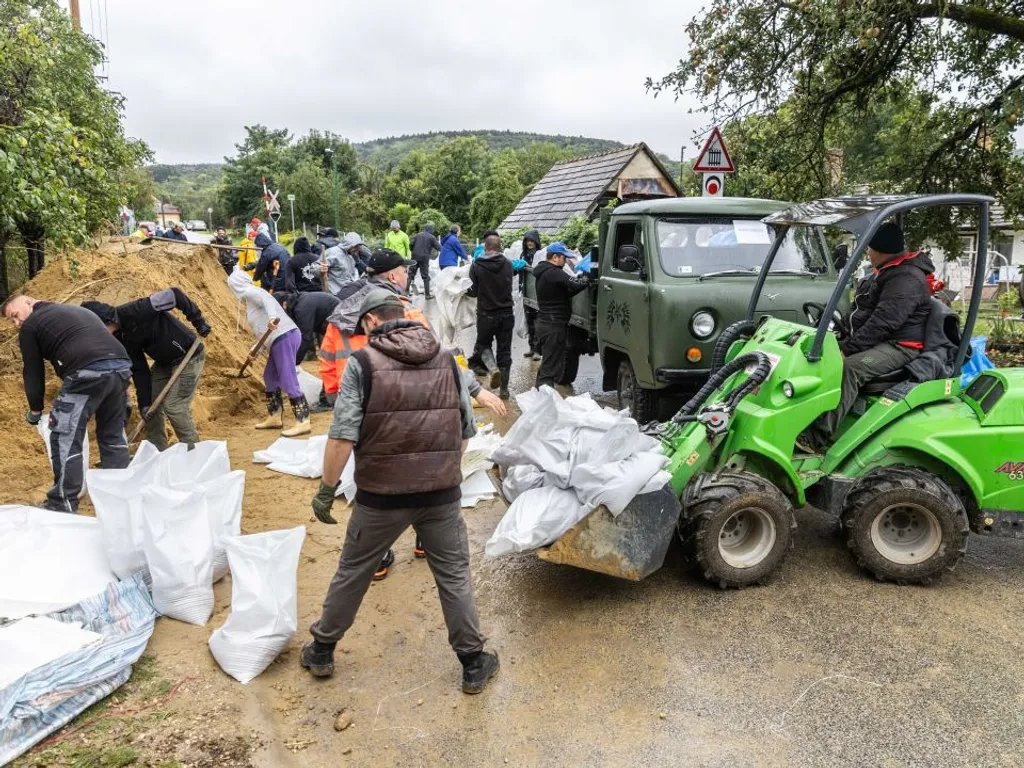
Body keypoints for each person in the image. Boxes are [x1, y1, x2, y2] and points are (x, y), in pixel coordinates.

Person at [301, 291, 500, 695]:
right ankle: (473, 663)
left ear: (373, 321)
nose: (360, 335)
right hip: (441, 496)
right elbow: (465, 430)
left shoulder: (363, 363)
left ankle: (322, 650)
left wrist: (326, 490)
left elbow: (341, 436)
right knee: (454, 574)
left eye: (361, 328)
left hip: (380, 497)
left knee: (354, 571)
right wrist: (442, 473)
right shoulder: (446, 358)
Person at [802, 222, 933, 449]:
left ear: (880, 250)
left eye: (869, 249)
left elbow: (884, 323)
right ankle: (804, 417)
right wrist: (836, 333)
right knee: (813, 353)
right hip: (877, 339)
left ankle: (817, 438)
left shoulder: (906, 279)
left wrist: (848, 349)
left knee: (850, 368)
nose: (868, 254)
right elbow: (860, 312)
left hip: (899, 345)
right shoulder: (886, 272)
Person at [4, 296, 132, 512]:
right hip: (120, 367)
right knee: (112, 434)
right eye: (12, 321)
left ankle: (61, 503)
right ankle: (121, 498)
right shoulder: (76, 311)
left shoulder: (32, 325)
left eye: (15, 315)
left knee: (63, 433)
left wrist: (35, 410)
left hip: (87, 372)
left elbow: (33, 371)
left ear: (28, 302)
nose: (17, 323)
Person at [82, 289, 211, 451]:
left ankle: (194, 453)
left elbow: (174, 295)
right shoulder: (119, 337)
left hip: (190, 356)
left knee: (175, 407)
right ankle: (158, 451)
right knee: (150, 409)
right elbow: (139, 368)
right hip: (164, 363)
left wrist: (198, 321)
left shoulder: (136, 310)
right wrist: (144, 403)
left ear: (104, 321)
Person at [227, 270, 311, 436]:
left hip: (284, 336)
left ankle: (303, 421)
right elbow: (263, 330)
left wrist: (273, 317)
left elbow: (267, 300)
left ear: (235, 284)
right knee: (270, 377)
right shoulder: (249, 299)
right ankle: (274, 417)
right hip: (278, 339)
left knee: (287, 378)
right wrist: (255, 350)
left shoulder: (251, 291)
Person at [467, 230, 525, 399]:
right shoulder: (508, 263)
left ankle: (493, 369)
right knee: (505, 351)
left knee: (483, 345)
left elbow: (474, 291)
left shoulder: (477, 265)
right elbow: (513, 272)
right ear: (500, 247)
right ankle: (504, 390)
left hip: (486, 315)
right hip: (507, 314)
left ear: (485, 247)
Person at [533, 242, 591, 389]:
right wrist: (588, 276)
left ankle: (539, 397)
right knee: (550, 369)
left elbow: (568, 292)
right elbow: (576, 284)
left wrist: (581, 280)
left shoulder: (544, 271)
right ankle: (545, 402)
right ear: (555, 257)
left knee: (548, 362)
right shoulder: (554, 272)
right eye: (564, 258)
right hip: (553, 326)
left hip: (545, 323)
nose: (565, 261)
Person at [275, 291, 340, 365]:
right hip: (333, 318)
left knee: (333, 359)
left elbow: (305, 338)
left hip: (340, 322)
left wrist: (293, 363)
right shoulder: (298, 300)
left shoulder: (301, 309)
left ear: (284, 304)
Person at [521, 230, 542, 359]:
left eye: (532, 241)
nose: (530, 243)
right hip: (526, 292)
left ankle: (538, 350)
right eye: (528, 241)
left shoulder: (540, 255)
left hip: (538, 293)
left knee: (538, 322)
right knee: (529, 321)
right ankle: (531, 347)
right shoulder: (523, 255)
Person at [316, 228, 358, 294]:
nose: (357, 250)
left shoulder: (350, 257)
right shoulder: (332, 252)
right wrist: (319, 269)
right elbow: (314, 268)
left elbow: (352, 275)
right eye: (356, 247)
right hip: (334, 294)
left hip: (346, 293)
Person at [408, 223, 441, 298]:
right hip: (424, 258)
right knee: (425, 276)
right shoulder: (432, 237)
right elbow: (439, 247)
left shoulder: (417, 235)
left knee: (411, 274)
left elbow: (411, 244)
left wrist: (413, 251)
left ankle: (406, 291)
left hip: (415, 256)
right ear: (431, 230)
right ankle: (427, 295)